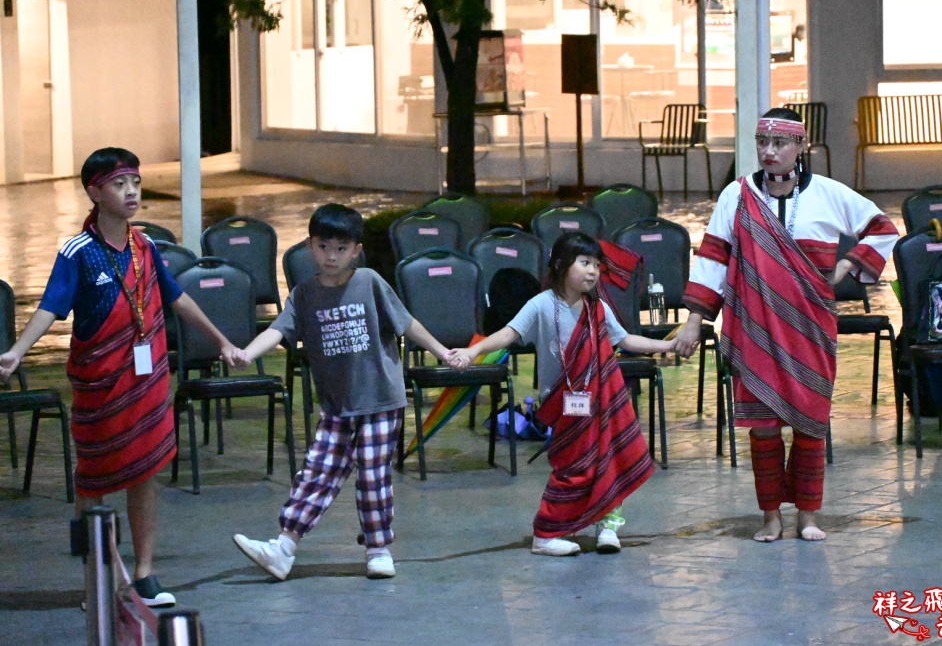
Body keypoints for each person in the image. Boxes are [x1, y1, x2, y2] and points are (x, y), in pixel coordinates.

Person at [0, 147, 245, 607]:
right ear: (94, 192)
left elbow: (177, 299)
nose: (131, 191)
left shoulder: (146, 248)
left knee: (146, 473)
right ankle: (93, 578)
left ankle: (145, 573)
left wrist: (221, 340)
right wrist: (17, 351)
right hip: (100, 385)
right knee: (91, 483)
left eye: (134, 181)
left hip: (147, 381)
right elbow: (51, 306)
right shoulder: (78, 252)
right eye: (119, 183)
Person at [673, 108, 899, 543]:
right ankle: (771, 517)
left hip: (811, 328)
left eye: (779, 143)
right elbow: (713, 258)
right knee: (762, 425)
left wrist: (848, 265)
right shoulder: (735, 197)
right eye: (762, 142)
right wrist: (693, 321)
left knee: (811, 422)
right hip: (754, 327)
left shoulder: (830, 193)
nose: (769, 151)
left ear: (800, 148)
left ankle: (809, 516)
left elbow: (882, 228)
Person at [231, 203, 452, 580]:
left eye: (340, 248)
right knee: (317, 472)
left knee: (372, 476)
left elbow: (406, 323)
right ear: (308, 246)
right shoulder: (303, 295)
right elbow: (279, 330)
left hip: (381, 399)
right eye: (323, 246)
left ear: (356, 250)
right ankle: (284, 548)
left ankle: (378, 549)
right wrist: (246, 353)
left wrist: (442, 352)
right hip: (336, 405)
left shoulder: (368, 282)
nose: (331, 256)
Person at [448, 232, 676, 556]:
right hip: (562, 405)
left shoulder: (597, 308)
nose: (593, 271)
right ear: (560, 265)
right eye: (584, 263)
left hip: (598, 401)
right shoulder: (541, 305)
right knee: (572, 470)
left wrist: (668, 345)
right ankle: (545, 533)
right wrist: (474, 352)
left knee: (610, 459)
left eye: (597, 265)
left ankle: (608, 526)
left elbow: (625, 340)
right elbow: (508, 334)